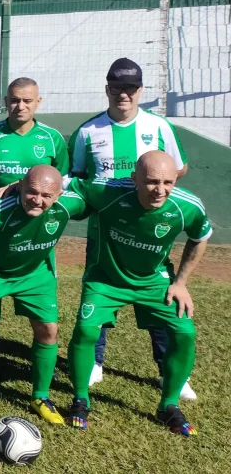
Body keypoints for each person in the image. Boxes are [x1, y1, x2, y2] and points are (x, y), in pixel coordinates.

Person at [69, 57, 194, 399]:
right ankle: (94, 362)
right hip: (105, 232)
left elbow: (178, 169)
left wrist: (149, 187)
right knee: (101, 290)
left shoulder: (159, 127)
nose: (123, 94)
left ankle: (169, 369)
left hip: (149, 231)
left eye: (130, 88)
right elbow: (77, 176)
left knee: (158, 296)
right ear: (107, 89)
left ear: (140, 91)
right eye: (116, 87)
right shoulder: (88, 131)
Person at [65, 152, 210, 436]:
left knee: (185, 332)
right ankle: (80, 399)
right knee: (85, 329)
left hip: (154, 281)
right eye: (152, 182)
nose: (160, 190)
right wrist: (22, 183)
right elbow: (65, 184)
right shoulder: (107, 191)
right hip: (105, 279)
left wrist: (180, 283)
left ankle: (168, 405)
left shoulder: (187, 206)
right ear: (134, 179)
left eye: (168, 182)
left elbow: (200, 237)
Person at [0, 165, 83, 425]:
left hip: (35, 274)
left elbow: (90, 190)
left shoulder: (69, 205)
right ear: (20, 185)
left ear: (58, 195)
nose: (37, 200)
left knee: (49, 330)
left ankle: (40, 396)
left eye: (47, 195)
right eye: (31, 191)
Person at [0, 77, 68, 368]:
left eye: (26, 100)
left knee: (40, 305)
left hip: (36, 236)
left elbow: (60, 185)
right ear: (5, 100)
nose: (19, 106)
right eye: (13, 99)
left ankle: (41, 368)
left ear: (38, 102)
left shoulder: (52, 139)